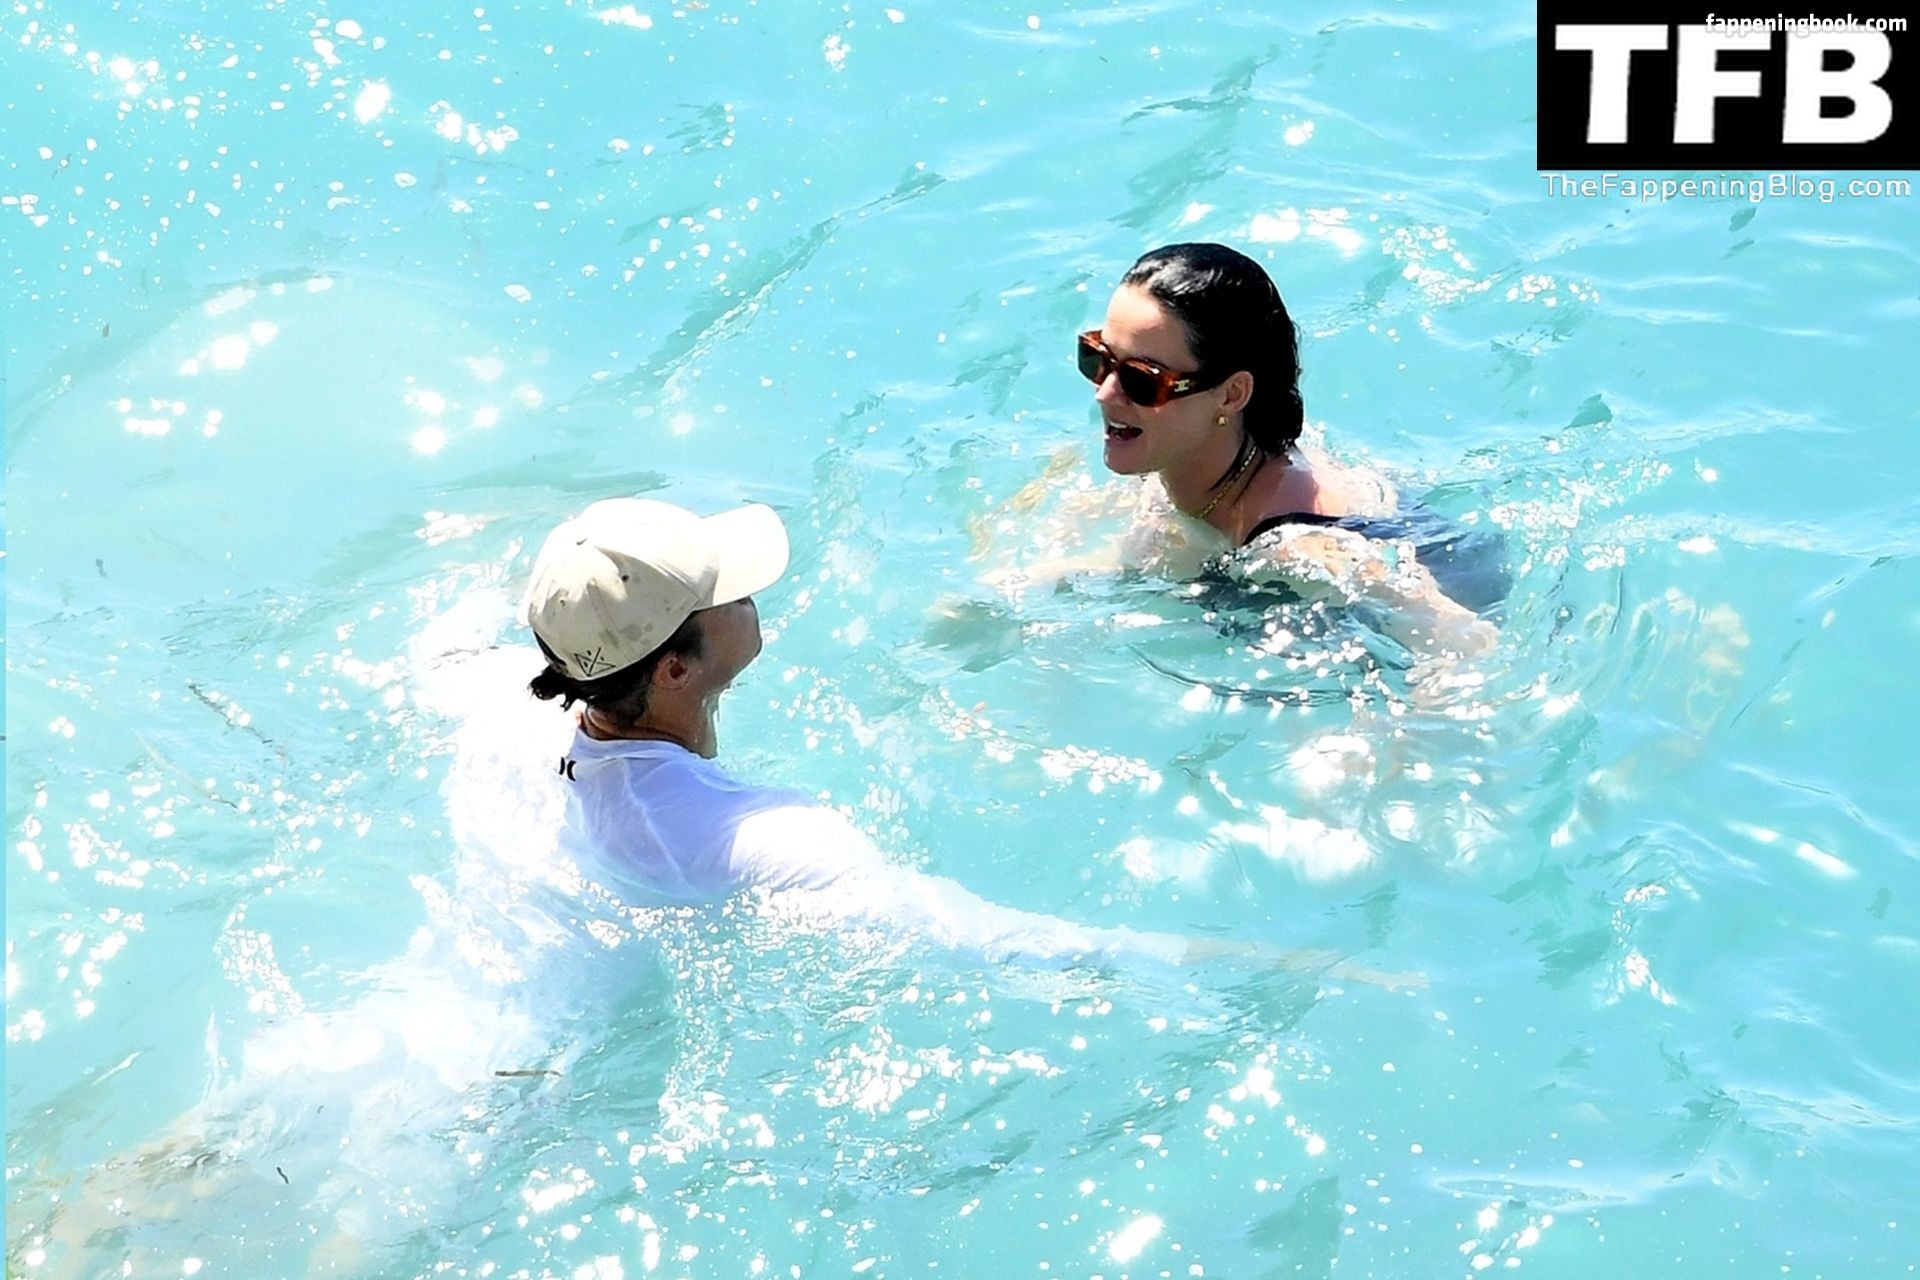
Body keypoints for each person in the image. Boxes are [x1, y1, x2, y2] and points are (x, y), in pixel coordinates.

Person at [523, 495, 1200, 966]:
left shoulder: (509, 714)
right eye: (733, 594)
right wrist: (1199, 959)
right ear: (675, 669)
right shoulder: (769, 839)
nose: (751, 598)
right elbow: (976, 940)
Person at [1071, 241, 1510, 655]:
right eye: (1098, 358)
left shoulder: (1302, 547)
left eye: (1142, 380)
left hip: (1449, 579)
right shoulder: (1178, 457)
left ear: (1231, 395)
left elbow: (1467, 643)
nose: (1105, 394)